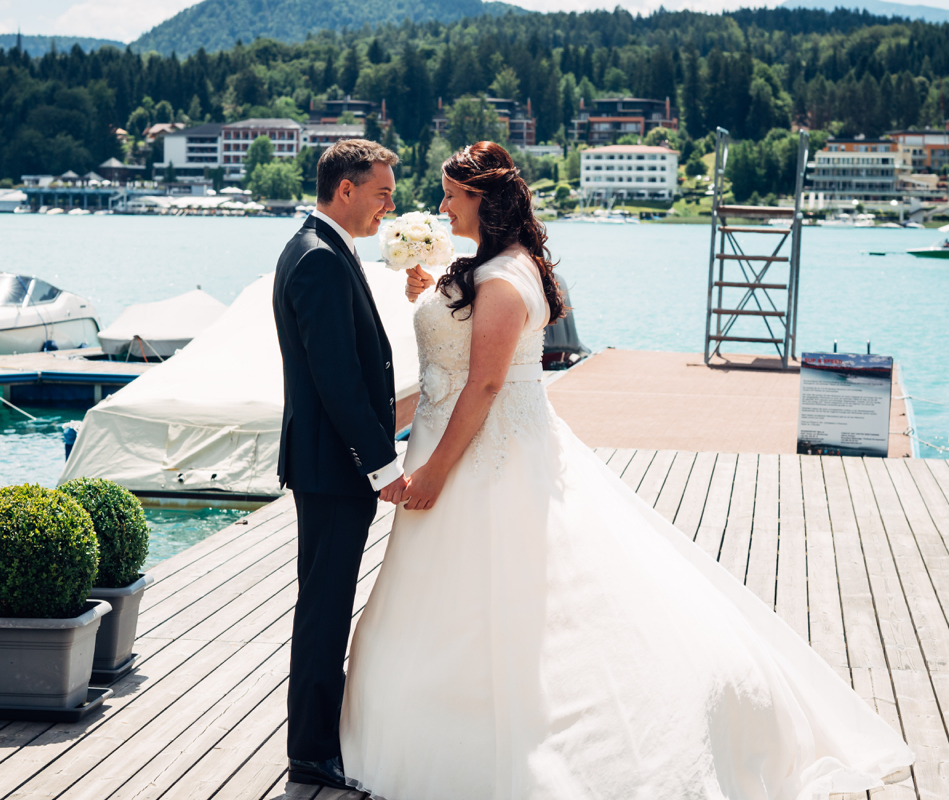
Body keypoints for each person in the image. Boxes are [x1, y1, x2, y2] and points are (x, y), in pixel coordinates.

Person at [339, 141, 915, 799]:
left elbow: (486, 384)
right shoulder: (501, 265)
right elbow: (467, 351)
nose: (442, 206)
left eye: (451, 195)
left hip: (480, 458)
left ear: (481, 198)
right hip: (488, 445)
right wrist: (434, 289)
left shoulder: (500, 279)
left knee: (494, 594)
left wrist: (438, 471)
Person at [271, 138, 409, 792]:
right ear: (346, 190)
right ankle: (312, 751)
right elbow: (338, 381)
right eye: (383, 193)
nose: (390, 207)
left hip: (329, 463)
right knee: (324, 610)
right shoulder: (319, 259)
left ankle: (318, 742)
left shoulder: (323, 248)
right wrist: (383, 466)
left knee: (325, 604)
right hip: (333, 468)